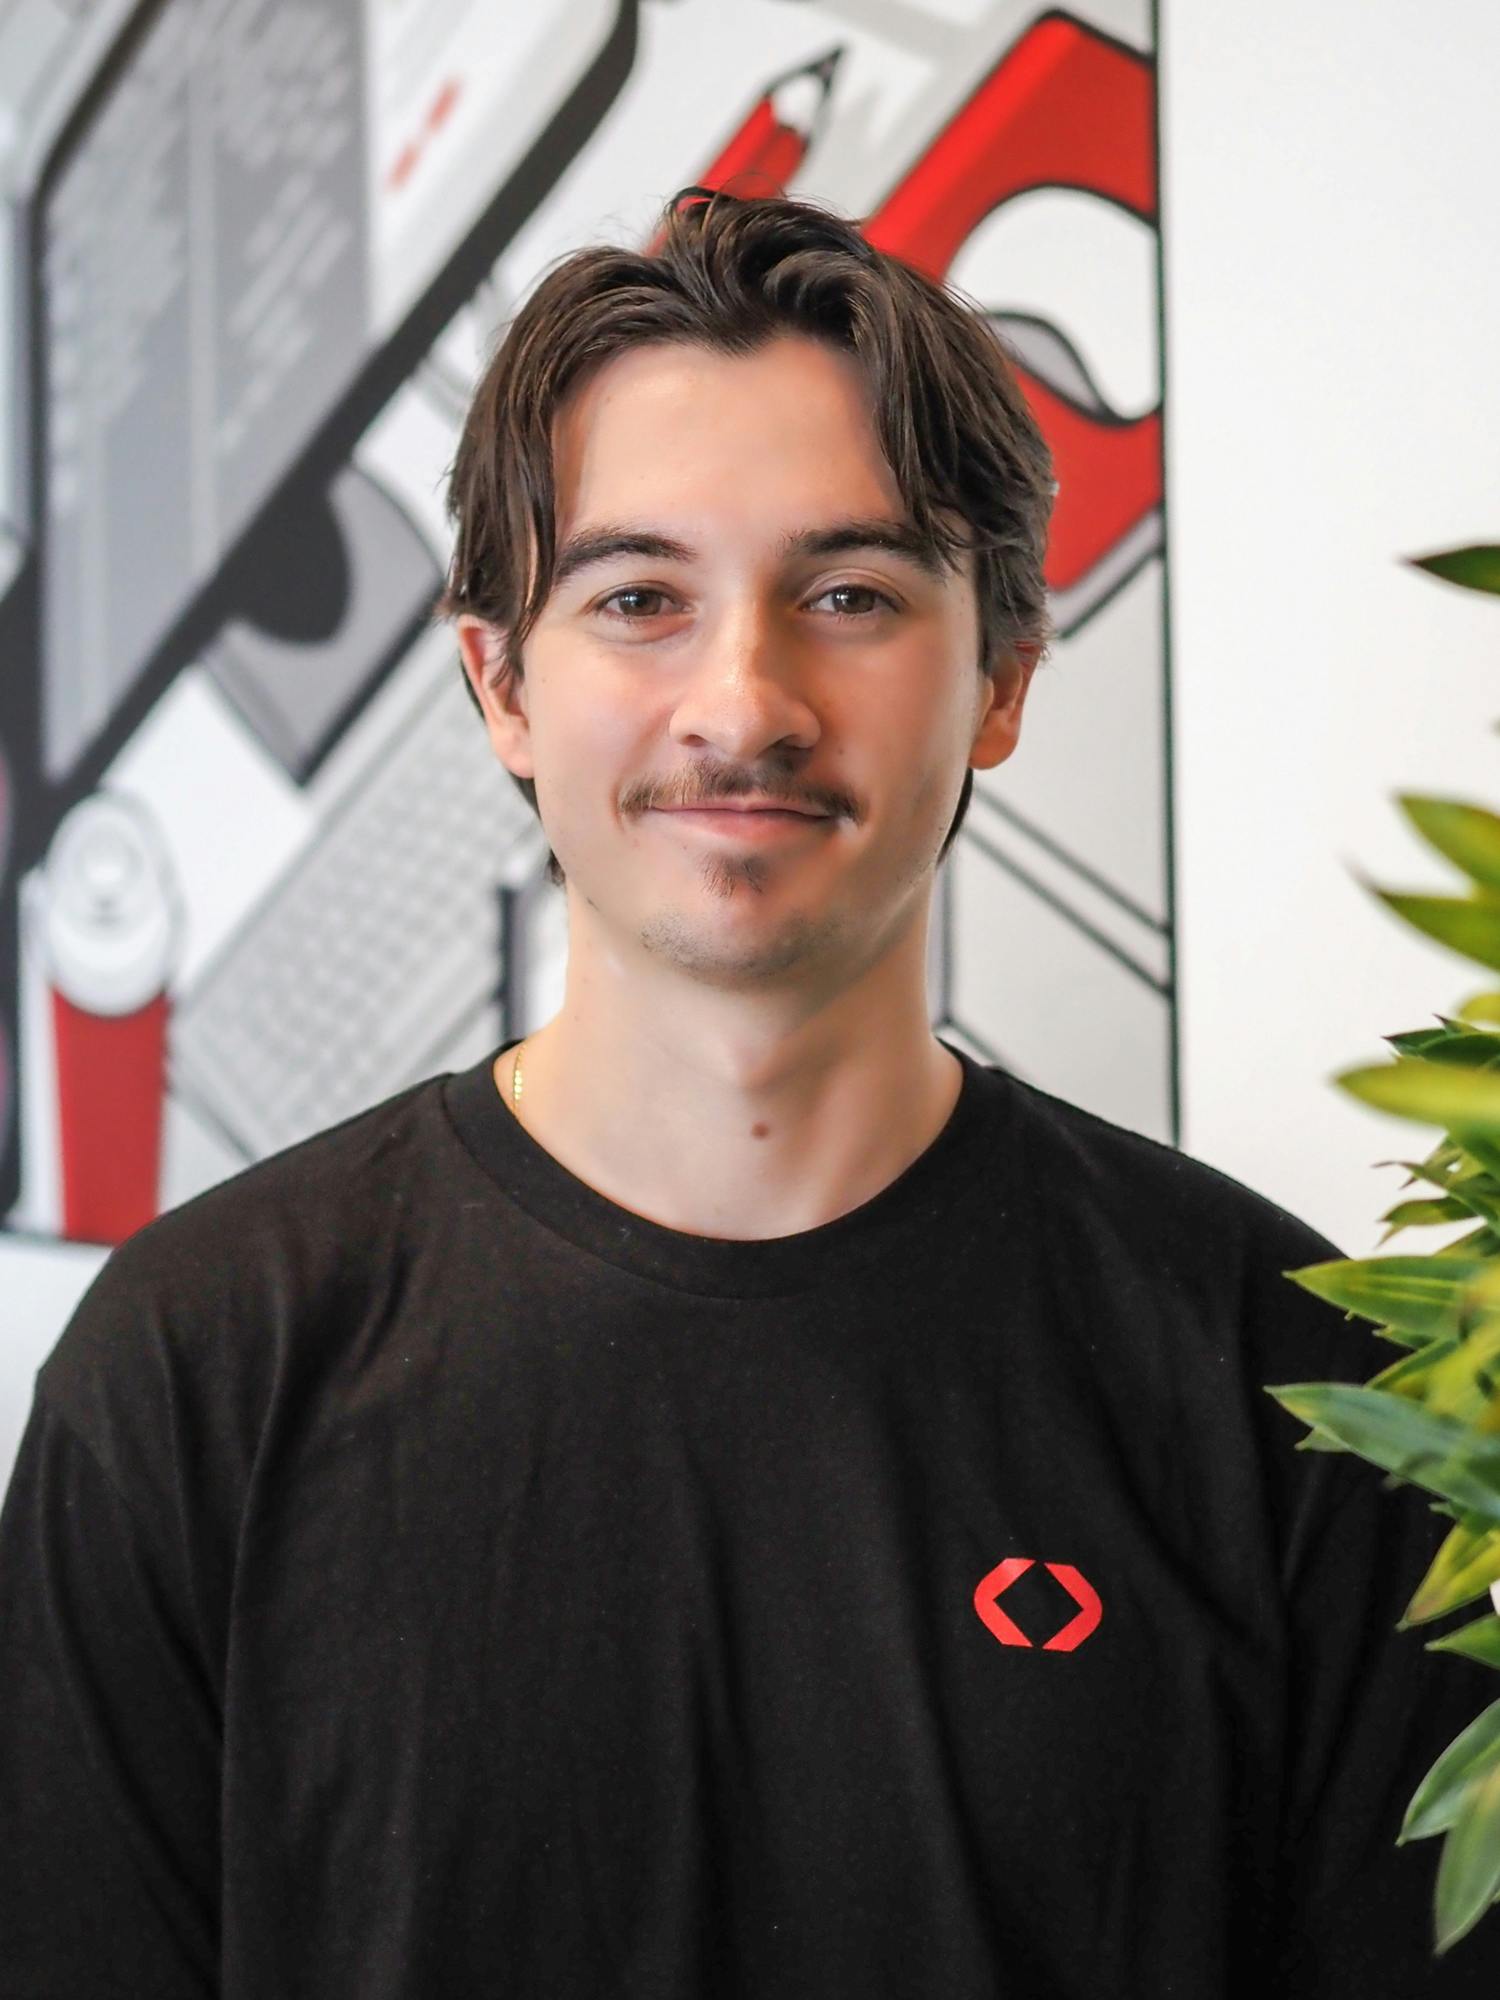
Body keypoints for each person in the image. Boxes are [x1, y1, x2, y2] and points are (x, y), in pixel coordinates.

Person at [0, 184, 1494, 2000]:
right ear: (501, 688)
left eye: (849, 592)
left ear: (1002, 678)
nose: (745, 697)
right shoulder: (192, 1375)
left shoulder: (1300, 1392)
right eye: (638, 598)